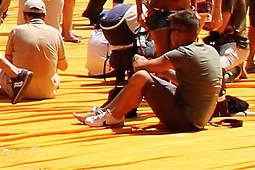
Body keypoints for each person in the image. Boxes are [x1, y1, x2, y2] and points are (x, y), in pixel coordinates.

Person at [75, 10, 223, 132]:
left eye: (170, 31)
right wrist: (163, 71)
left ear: (177, 33)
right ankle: (104, 112)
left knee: (141, 76)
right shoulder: (208, 50)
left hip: (186, 122)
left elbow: (140, 66)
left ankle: (114, 117)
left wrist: (140, 61)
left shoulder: (183, 53)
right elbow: (187, 82)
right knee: (146, 76)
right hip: (198, 118)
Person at [7, 0, 63, 100]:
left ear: (24, 15)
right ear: (44, 16)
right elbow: (63, 66)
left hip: (18, 90)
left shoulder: (16, 31)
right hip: (47, 92)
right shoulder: (55, 32)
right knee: (56, 75)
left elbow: (7, 62)